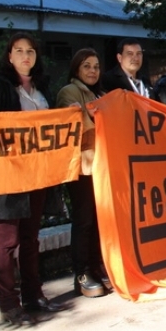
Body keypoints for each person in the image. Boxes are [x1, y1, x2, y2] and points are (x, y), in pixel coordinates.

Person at [0, 32, 67, 325]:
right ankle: (8, 304)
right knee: (8, 240)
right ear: (9, 56)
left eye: (31, 51)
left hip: (38, 174)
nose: (26, 56)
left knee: (30, 238)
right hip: (9, 176)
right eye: (19, 50)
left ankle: (33, 295)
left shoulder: (42, 90)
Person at [56, 49, 109, 298]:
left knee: (100, 220)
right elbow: (77, 129)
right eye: (87, 66)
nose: (92, 71)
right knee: (84, 220)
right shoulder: (69, 92)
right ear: (77, 68)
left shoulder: (101, 94)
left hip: (102, 166)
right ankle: (82, 274)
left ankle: (97, 266)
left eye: (96, 66)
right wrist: (94, 116)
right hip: (82, 167)